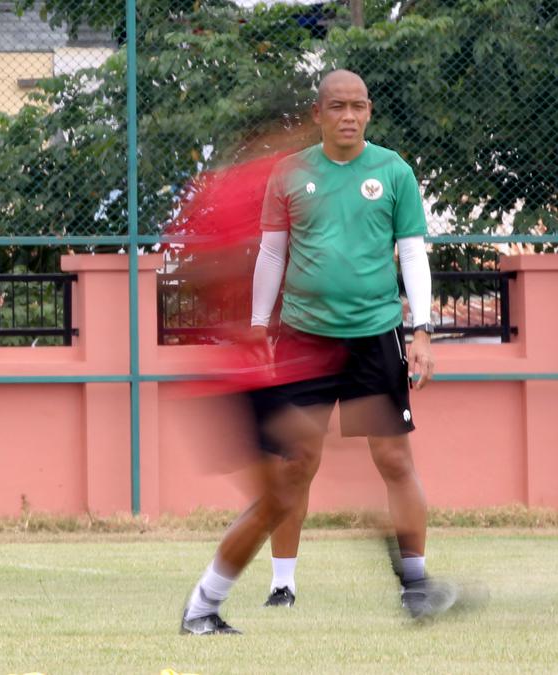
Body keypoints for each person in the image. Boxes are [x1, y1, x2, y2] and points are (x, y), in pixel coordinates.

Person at [180, 69, 456, 635]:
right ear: (318, 114)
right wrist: (258, 326)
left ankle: (418, 584)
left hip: (375, 337)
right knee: (295, 468)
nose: (348, 116)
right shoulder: (288, 173)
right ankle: (282, 582)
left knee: (393, 461)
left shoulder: (393, 171)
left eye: (358, 106)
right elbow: (272, 256)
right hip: (304, 340)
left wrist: (421, 331)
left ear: (370, 111)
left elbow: (411, 255)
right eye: (337, 106)